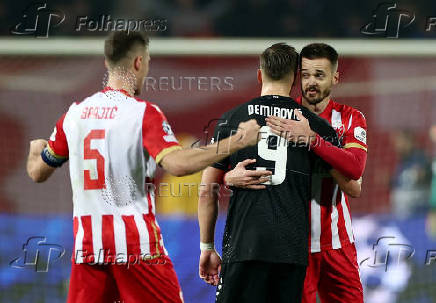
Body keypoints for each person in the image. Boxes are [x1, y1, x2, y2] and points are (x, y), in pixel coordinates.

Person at [25, 30, 260, 303]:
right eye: (147, 62)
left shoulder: (74, 115)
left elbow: (37, 172)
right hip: (135, 248)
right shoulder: (142, 113)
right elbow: (178, 164)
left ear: (106, 63)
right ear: (138, 62)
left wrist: (34, 151)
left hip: (89, 249)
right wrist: (237, 140)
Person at [217, 43, 368, 303]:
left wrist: (313, 141)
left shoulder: (350, 118)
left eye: (319, 75)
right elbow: (240, 164)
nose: (311, 82)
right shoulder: (279, 115)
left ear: (335, 78)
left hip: (336, 240)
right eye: (306, 75)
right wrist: (227, 178)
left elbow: (355, 185)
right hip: (294, 243)